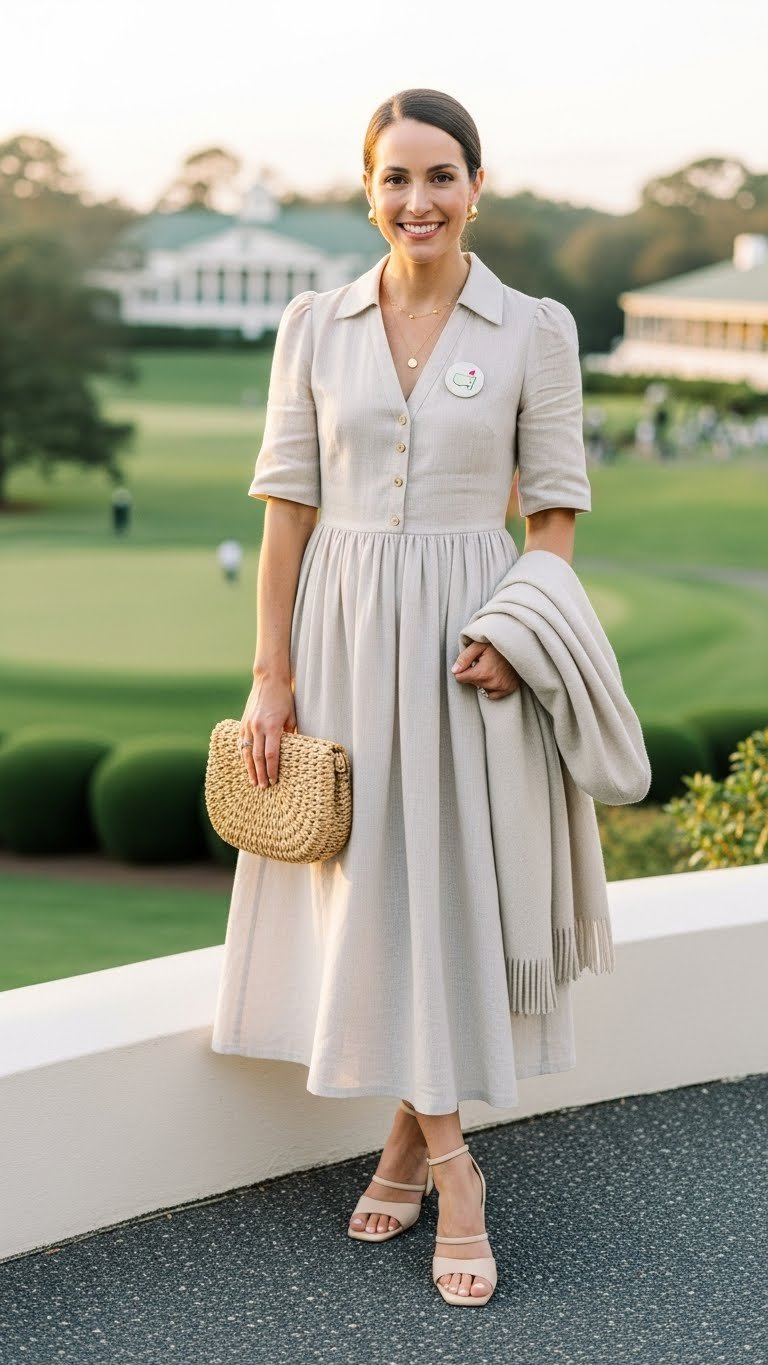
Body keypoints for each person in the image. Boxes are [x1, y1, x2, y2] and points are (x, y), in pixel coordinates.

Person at [211, 88, 595, 1308]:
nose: (417, 201)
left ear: (477, 185)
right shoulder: (312, 323)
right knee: (372, 892)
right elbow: (285, 510)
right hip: (335, 636)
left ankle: (432, 1160)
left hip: (467, 642)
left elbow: (555, 511)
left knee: (438, 897)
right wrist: (271, 675)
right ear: (366, 190)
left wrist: (516, 632)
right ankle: (437, 1156)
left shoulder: (535, 325)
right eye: (395, 179)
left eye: (440, 176)